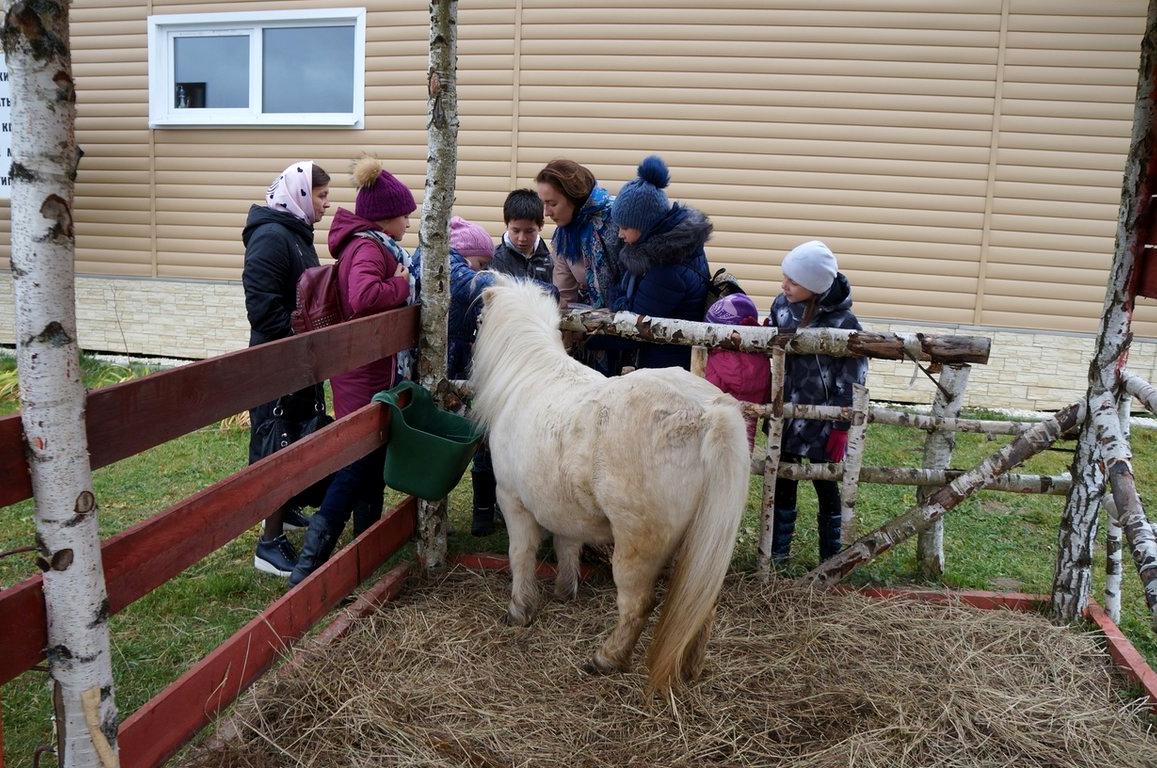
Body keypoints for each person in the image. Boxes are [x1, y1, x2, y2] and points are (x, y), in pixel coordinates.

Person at [289, 156, 414, 587]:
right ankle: (311, 560)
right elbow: (363, 298)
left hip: (371, 372)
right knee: (356, 464)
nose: (408, 223)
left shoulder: (372, 245)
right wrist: (401, 283)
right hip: (364, 376)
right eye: (404, 215)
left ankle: (366, 547)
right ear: (384, 217)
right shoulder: (368, 248)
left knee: (370, 459)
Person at [242, 160, 331, 577]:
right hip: (276, 362)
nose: (326, 204)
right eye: (321, 195)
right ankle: (269, 544)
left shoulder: (296, 233)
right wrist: (305, 333)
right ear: (298, 194)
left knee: (295, 437)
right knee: (276, 446)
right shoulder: (271, 237)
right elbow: (262, 310)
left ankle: (288, 508)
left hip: (298, 360)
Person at [767, 240, 867, 566]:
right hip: (787, 412)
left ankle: (831, 557)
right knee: (784, 478)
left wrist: (840, 426)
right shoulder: (782, 307)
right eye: (785, 277)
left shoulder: (845, 324)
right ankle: (778, 555)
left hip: (823, 420)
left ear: (815, 285)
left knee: (825, 485)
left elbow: (853, 378)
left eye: (793, 281)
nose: (785, 285)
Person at [412, 216, 503, 536]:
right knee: (437, 442)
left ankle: (439, 514)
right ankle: (427, 517)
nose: (482, 271)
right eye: (480, 263)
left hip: (448, 363)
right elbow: (474, 284)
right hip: (439, 366)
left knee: (451, 439)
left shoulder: (442, 261)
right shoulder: (445, 265)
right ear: (465, 255)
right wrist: (532, 292)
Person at [609, 155, 711, 370]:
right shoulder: (673, 251)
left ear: (646, 226)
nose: (619, 234)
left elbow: (634, 327)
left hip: (664, 367)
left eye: (625, 227)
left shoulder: (667, 270)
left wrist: (587, 336)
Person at [535, 159, 623, 310]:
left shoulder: (619, 217)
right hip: (597, 323)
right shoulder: (564, 237)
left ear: (574, 197)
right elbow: (564, 296)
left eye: (553, 204)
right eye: (544, 203)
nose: (547, 212)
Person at [705, 293, 770, 451]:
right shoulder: (760, 359)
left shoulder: (716, 361)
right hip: (746, 435)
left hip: (715, 431)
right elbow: (767, 394)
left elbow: (706, 393)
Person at [491, 188, 553, 283]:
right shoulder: (493, 259)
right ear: (506, 224)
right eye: (515, 231)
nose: (522, 239)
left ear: (541, 226)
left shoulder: (550, 261)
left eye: (529, 231)